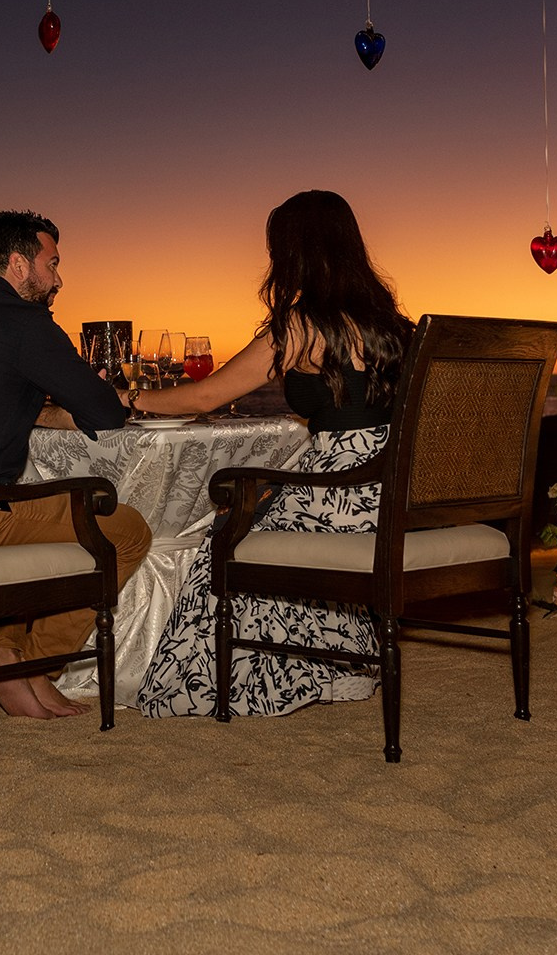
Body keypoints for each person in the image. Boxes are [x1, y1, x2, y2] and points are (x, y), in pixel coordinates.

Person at [128, 189, 414, 718]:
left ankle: (220, 683)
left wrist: (131, 397)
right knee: (267, 506)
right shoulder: (394, 326)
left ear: (294, 253)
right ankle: (330, 665)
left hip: (342, 490)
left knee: (224, 538)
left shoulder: (302, 325)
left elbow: (207, 395)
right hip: (393, 488)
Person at [0, 210, 155, 720]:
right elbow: (106, 412)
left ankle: (6, 654)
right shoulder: (24, 324)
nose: (59, 279)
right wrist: (56, 410)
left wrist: (34, 409)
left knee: (33, 507)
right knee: (125, 528)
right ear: (20, 265)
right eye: (54, 263)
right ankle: (32, 667)